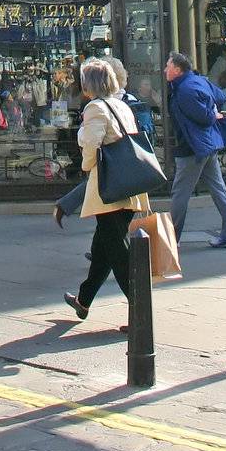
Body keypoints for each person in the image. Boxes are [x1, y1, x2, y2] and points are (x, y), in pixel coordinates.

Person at [62, 57, 150, 322]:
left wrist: (88, 167)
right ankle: (84, 299)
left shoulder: (96, 108)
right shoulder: (120, 106)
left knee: (117, 252)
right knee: (103, 248)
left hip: (108, 187)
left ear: (90, 84)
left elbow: (91, 145)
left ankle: (140, 312)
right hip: (127, 183)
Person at [165, 50, 226, 250]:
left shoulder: (185, 90)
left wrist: (211, 114)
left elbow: (205, 117)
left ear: (177, 70)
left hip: (193, 147)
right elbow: (220, 96)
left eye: (168, 66)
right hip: (207, 145)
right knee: (218, 189)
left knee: (180, 193)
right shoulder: (198, 81)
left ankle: (172, 239)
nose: (165, 69)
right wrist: (214, 112)